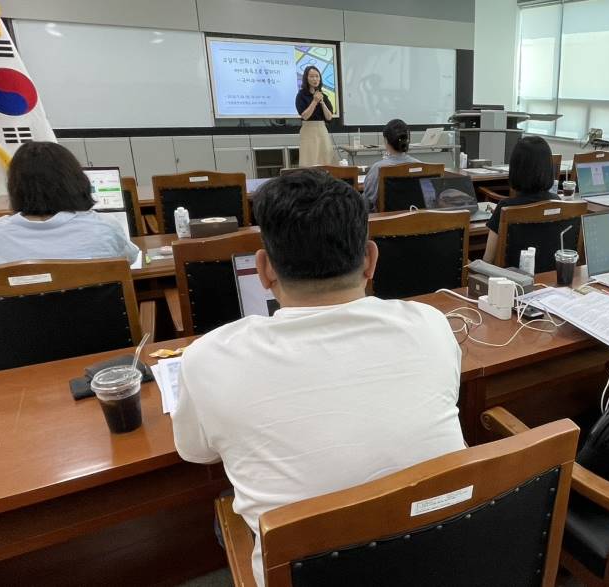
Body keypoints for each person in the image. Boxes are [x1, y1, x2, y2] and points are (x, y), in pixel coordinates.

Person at [171, 170, 466, 587]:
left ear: (264, 270)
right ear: (370, 259)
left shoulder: (206, 358)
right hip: (439, 559)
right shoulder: (432, 325)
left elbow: (195, 453)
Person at [0, 141, 139, 265]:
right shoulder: (103, 226)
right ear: (74, 181)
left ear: (15, 187)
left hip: (29, 302)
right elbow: (130, 258)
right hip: (93, 301)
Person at [482, 136, 559, 264]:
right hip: (550, 281)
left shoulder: (505, 207)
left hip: (510, 282)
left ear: (516, 169)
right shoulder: (558, 203)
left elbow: (487, 260)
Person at [362, 118, 421, 210]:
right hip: (418, 222)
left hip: (386, 223)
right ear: (408, 140)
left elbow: (366, 203)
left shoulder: (378, 169)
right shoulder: (421, 166)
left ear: (386, 140)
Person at [295, 65, 338, 167]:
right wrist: (314, 101)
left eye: (317, 76)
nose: (315, 79)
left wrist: (322, 102)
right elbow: (305, 116)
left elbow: (329, 117)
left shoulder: (323, 96)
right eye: (312, 76)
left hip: (322, 129)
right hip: (308, 130)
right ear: (306, 78)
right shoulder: (301, 95)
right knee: (309, 161)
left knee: (325, 159)